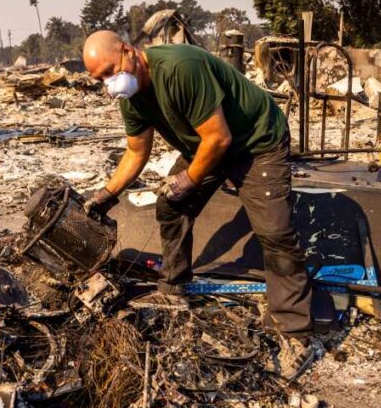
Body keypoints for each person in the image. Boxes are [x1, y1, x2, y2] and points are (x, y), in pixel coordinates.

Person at [82, 30, 314, 381]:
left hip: (255, 141)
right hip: (208, 147)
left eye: (110, 71)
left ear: (129, 52)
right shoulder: (131, 98)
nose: (109, 84)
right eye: (100, 79)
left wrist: (188, 180)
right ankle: (174, 287)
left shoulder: (180, 67)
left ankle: (297, 334)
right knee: (171, 206)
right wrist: (106, 194)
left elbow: (220, 137)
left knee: (275, 232)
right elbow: (136, 151)